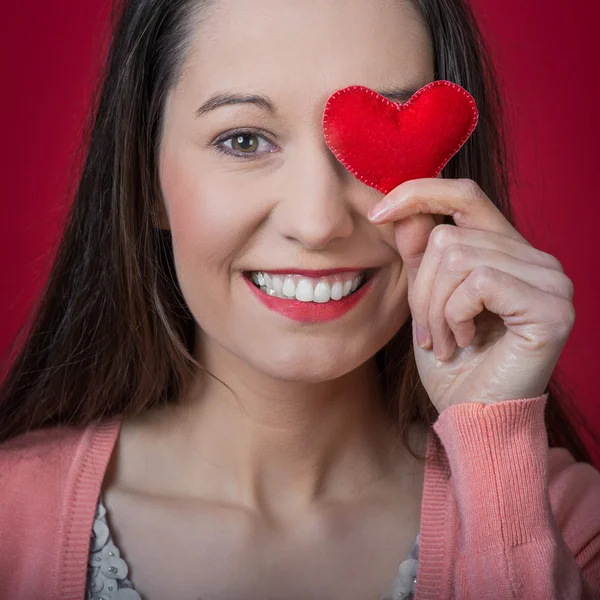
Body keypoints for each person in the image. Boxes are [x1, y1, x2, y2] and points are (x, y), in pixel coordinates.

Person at [1, 0, 599, 598]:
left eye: (369, 150)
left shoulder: (570, 531)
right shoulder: (10, 522)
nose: (317, 223)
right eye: (243, 141)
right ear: (148, 180)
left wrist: (494, 447)